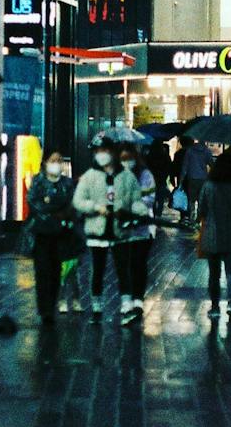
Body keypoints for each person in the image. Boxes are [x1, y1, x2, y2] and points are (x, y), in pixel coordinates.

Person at [73, 139, 145, 320]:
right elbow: (78, 201)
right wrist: (96, 207)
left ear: (113, 152)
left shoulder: (127, 176)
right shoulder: (90, 176)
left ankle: (126, 305)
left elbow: (136, 199)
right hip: (97, 231)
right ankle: (97, 306)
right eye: (98, 151)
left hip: (120, 230)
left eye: (105, 150)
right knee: (97, 269)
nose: (102, 154)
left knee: (123, 268)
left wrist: (138, 210)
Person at [25, 151, 79, 326]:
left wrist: (63, 214)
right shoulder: (38, 181)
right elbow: (33, 201)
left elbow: (72, 204)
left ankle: (52, 305)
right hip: (42, 233)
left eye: (59, 160)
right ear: (45, 162)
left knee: (57, 271)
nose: (57, 163)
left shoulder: (67, 183)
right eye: (53, 160)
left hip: (61, 233)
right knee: (42, 271)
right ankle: (44, 309)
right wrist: (51, 211)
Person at [197, 151, 231, 321]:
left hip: (212, 234)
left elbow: (201, 211)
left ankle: (214, 307)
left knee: (214, 273)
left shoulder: (208, 186)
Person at [113, 142, 154, 324]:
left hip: (140, 228)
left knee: (138, 264)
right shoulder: (113, 175)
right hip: (120, 228)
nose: (126, 162)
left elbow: (149, 198)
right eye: (122, 158)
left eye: (129, 158)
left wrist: (133, 206)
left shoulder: (145, 175)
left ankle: (138, 300)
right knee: (122, 265)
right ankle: (125, 300)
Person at [179, 138, 210, 224]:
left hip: (191, 178)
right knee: (201, 200)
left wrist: (181, 180)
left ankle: (191, 218)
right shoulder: (206, 151)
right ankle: (199, 219)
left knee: (191, 200)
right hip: (203, 179)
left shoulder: (190, 151)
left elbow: (185, 166)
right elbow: (211, 163)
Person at [146, 135, 173, 219]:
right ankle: (158, 215)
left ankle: (153, 213)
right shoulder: (165, 156)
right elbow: (169, 167)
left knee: (153, 198)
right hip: (161, 179)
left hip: (152, 180)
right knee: (160, 199)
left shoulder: (149, 156)